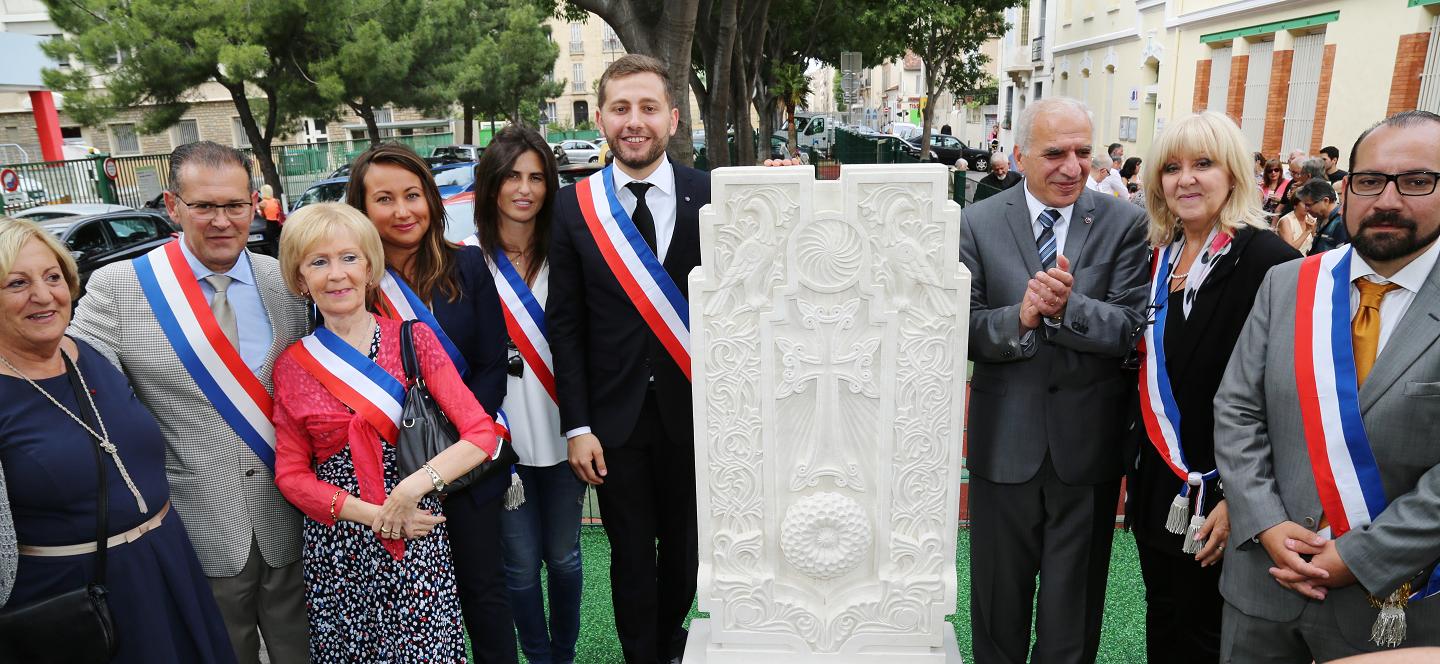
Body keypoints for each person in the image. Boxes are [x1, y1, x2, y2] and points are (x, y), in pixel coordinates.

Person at [69, 141, 311, 664]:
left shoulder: (287, 281)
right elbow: (69, 378)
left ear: (253, 204)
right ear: (173, 206)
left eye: (234, 205)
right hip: (196, 524)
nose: (221, 221)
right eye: (203, 206)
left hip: (295, 514)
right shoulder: (119, 287)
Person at [1215, 110, 1440, 660]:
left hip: (1394, 604)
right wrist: (1267, 523)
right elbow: (1237, 410)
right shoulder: (1290, 282)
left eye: (1416, 181)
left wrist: (1365, 556)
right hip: (1262, 584)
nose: (1387, 200)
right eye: (1368, 181)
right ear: (1347, 187)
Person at [958, 96, 1149, 664]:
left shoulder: (1124, 222)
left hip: (1086, 451)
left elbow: (1130, 328)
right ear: (1018, 156)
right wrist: (1020, 316)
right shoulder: (978, 220)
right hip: (1003, 447)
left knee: (1074, 617)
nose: (1073, 166)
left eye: (1083, 152)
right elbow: (958, 329)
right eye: (1055, 153)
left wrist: (1068, 311)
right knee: (997, 607)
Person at [0, 217, 235, 662]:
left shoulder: (91, 352)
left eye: (53, 277)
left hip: (167, 565)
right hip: (73, 600)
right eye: (17, 283)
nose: (43, 295)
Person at [271, 202, 498, 662]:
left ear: (370, 267)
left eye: (349, 258)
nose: (337, 275)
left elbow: (481, 435)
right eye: (319, 262)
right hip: (340, 547)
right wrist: (373, 515)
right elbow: (291, 475)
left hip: (416, 533)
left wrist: (409, 491)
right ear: (300, 280)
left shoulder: (413, 340)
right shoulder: (291, 365)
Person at [549, 53, 709, 664]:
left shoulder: (712, 195)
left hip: (694, 413)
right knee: (631, 553)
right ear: (601, 119)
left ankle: (669, 641)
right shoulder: (574, 207)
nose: (634, 121)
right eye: (621, 108)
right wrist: (579, 425)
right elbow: (565, 324)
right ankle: (645, 655)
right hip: (612, 423)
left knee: (688, 552)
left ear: (671, 118)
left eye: (647, 108)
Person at [1128, 112, 1300, 663]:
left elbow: (1288, 393)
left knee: (1210, 635)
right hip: (1162, 483)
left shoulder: (1269, 260)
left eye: (1204, 164)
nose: (1187, 179)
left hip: (1228, 495)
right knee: (1166, 617)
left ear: (1233, 174)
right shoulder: (1158, 256)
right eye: (1172, 168)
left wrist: (1236, 496)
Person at [344, 142, 514, 662]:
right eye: (384, 199)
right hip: (392, 478)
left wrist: (455, 447)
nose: (402, 211)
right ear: (362, 208)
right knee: (410, 611)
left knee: (485, 596)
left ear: (432, 201)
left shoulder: (469, 266)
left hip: (465, 466)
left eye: (413, 195)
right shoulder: (349, 279)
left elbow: (490, 363)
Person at [472, 126, 587, 664]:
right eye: (513, 176)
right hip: (501, 443)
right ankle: (537, 657)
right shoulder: (468, 261)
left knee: (564, 558)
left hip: (568, 435)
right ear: (491, 183)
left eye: (537, 177)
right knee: (518, 565)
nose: (525, 189)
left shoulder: (569, 252)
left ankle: (562, 654)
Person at [1301, 179, 1349, 255]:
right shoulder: (1320, 218)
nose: (1306, 209)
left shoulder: (1341, 222)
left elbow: (1342, 257)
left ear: (1326, 201)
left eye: (1309, 205)